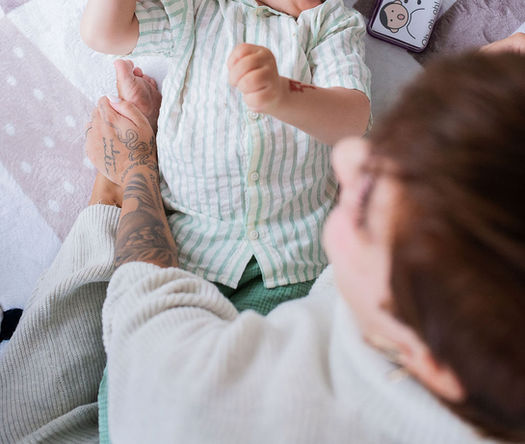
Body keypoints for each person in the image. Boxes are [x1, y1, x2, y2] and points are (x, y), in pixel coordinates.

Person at [2, 41, 524, 443]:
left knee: (20, 415)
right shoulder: (468, 332)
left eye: (365, 203)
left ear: (422, 362)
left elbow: (144, 290)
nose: (346, 156)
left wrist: (136, 167)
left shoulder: (198, 404)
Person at [80, 0, 371, 313]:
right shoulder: (193, 7)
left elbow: (352, 118)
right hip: (191, 259)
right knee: (158, 356)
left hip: (297, 265)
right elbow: (103, 32)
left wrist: (284, 95)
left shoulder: (328, 23)